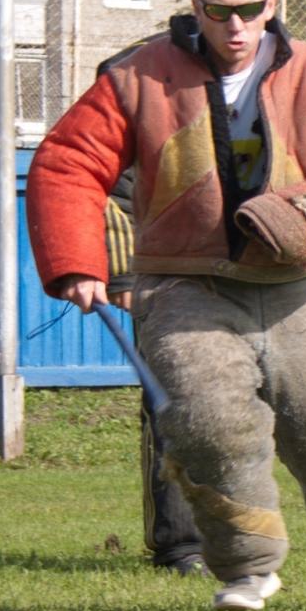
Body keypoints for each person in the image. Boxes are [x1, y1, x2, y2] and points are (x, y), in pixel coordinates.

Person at [26, 0, 306, 611]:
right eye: (215, 10)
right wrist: (77, 263)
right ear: (194, 7)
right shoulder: (138, 75)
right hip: (182, 287)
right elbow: (66, 162)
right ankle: (247, 571)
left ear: (272, 4)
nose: (233, 26)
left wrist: (304, 220)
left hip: (292, 292)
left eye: (246, 9)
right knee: (210, 426)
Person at [103, 169, 206, 577]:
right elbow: (118, 193)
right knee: (173, 413)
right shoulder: (154, 116)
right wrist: (124, 271)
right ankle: (181, 546)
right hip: (164, 285)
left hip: (246, 285)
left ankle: (244, 539)